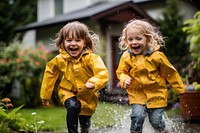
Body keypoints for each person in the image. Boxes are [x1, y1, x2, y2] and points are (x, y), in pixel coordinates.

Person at [116, 19, 185, 133]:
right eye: (130, 39)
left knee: (156, 122)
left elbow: (170, 72)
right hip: (137, 95)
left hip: (157, 95)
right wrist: (124, 79)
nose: (134, 42)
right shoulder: (126, 57)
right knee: (137, 117)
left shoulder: (157, 56)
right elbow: (121, 72)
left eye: (138, 38)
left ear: (148, 39)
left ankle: (164, 130)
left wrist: (180, 89)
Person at [40, 21, 109, 133]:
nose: (73, 44)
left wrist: (94, 82)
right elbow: (50, 73)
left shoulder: (92, 59)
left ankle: (85, 130)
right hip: (67, 91)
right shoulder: (59, 59)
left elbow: (102, 73)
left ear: (85, 42)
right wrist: (45, 94)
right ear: (63, 42)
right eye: (69, 40)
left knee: (85, 122)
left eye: (77, 40)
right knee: (73, 106)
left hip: (87, 96)